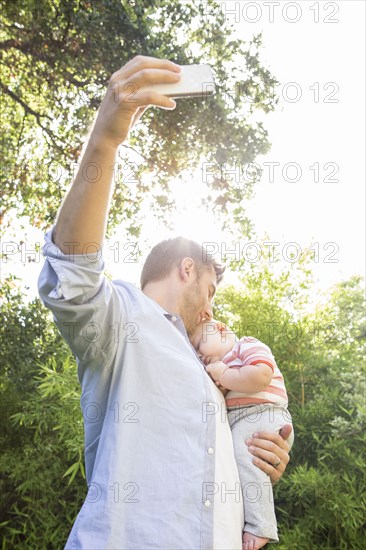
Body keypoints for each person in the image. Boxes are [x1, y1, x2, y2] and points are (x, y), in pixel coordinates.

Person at [37, 55, 293, 549]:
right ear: (187, 268)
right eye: (212, 292)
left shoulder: (212, 372)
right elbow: (71, 276)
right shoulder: (123, 318)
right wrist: (106, 139)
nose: (214, 309)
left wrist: (259, 462)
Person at [190, 319, 294, 549]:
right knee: (238, 464)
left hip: (265, 413)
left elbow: (261, 375)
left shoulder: (245, 345)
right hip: (244, 419)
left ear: (220, 329)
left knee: (244, 453)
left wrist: (225, 374)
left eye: (198, 344)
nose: (198, 354)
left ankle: (261, 525)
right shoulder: (220, 366)